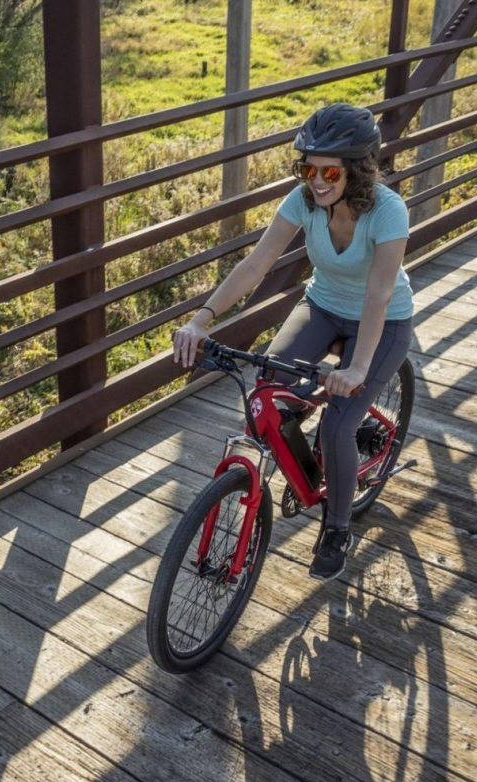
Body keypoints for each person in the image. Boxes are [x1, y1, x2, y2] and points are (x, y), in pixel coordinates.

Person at [172, 102, 413, 580]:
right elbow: (256, 264)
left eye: (329, 171)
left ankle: (337, 526)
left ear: (358, 171)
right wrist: (202, 320)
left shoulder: (388, 211)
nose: (317, 180)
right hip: (323, 305)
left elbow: (379, 295)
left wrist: (358, 370)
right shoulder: (304, 200)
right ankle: (310, 454)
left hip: (382, 322)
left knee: (338, 427)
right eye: (308, 168)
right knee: (267, 388)